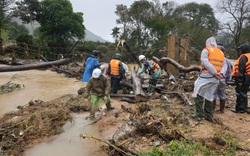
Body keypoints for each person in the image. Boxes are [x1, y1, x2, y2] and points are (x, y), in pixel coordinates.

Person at [192, 37, 225, 121]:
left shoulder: (206, 50)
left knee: (198, 92)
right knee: (209, 95)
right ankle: (208, 114)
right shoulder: (221, 52)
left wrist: (214, 72)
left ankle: (198, 113)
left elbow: (205, 62)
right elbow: (224, 65)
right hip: (215, 78)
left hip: (206, 76)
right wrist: (220, 74)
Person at [212, 44, 233, 113]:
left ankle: (212, 109)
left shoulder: (213, 59)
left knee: (213, 94)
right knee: (222, 94)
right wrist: (227, 80)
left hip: (214, 78)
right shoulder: (227, 61)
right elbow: (229, 72)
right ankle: (222, 110)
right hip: (223, 80)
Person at [231, 44, 250, 113]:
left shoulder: (244, 57)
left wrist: (240, 80)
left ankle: (240, 108)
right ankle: (243, 108)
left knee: (240, 92)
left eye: (241, 49)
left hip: (244, 77)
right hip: (248, 77)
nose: (240, 51)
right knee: (244, 92)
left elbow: (241, 69)